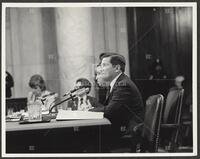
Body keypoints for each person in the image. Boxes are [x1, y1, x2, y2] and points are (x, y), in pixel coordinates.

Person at [89, 53, 144, 149]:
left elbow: (110, 111)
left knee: (83, 137)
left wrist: (87, 111)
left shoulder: (123, 85)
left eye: (104, 65)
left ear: (117, 68)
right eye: (101, 65)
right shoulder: (118, 83)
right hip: (120, 130)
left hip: (126, 134)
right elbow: (110, 109)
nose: (101, 69)